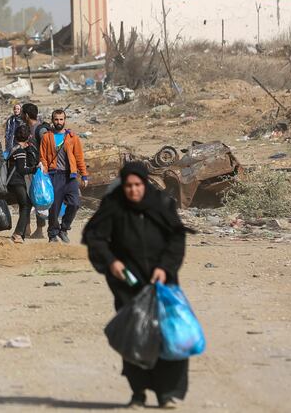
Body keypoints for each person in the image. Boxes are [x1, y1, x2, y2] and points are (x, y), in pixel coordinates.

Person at [82, 162, 192, 409]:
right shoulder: (114, 207)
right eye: (129, 185)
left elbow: (176, 238)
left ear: (145, 183)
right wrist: (111, 262)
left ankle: (167, 393)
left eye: (138, 185)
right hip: (128, 284)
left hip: (161, 283)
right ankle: (138, 392)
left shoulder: (162, 205)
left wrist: (165, 267)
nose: (133, 190)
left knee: (168, 336)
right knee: (135, 336)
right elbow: (95, 237)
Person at [39, 109, 89, 243]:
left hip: (70, 176)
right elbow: (43, 157)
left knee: (75, 204)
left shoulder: (73, 138)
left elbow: (79, 158)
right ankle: (52, 234)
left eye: (61, 119)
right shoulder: (47, 137)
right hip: (54, 176)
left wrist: (84, 175)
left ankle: (64, 229)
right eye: (56, 119)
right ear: (52, 120)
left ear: (65, 120)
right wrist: (43, 171)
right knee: (54, 207)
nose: (59, 122)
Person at [21, 102, 51, 239]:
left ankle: (39, 230)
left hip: (38, 170)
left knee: (38, 199)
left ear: (26, 115)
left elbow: (49, 148)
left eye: (22, 113)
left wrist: (43, 166)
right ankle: (26, 228)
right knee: (26, 199)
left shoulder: (40, 130)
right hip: (28, 169)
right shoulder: (27, 128)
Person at [7, 125, 39, 243]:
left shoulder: (14, 148)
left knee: (24, 205)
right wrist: (34, 169)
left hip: (13, 182)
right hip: (16, 182)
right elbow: (21, 170)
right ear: (28, 137)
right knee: (26, 205)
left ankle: (21, 234)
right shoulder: (20, 151)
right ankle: (18, 234)